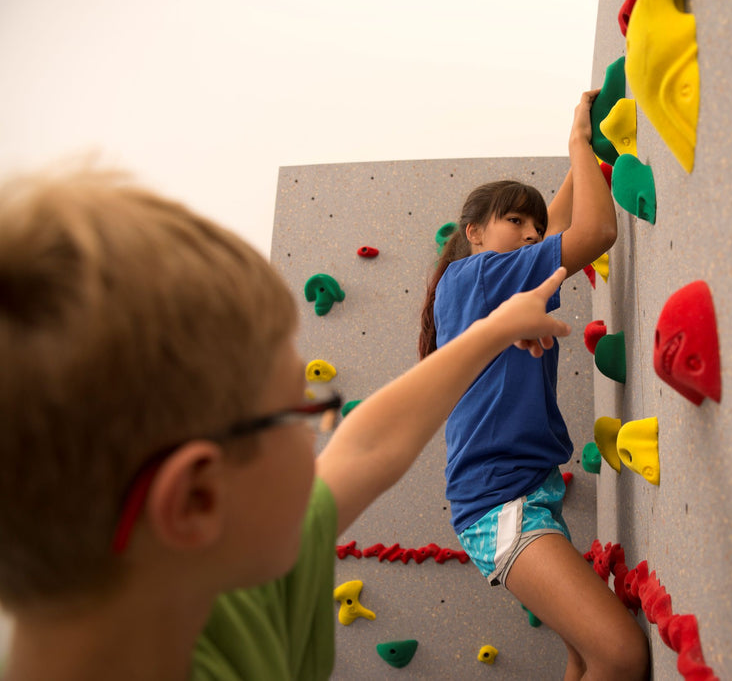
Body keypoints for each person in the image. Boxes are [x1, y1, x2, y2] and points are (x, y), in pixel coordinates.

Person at [0, 165, 573, 680]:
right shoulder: (251, 595)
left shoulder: (203, 567)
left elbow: (369, 445)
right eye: (300, 414)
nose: (322, 436)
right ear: (196, 498)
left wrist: (491, 331)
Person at [419, 91, 651, 680]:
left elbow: (560, 221)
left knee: (582, 656)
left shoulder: (481, 282)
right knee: (620, 656)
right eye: (512, 221)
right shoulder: (478, 275)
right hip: (502, 501)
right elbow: (595, 229)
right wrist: (579, 145)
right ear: (472, 232)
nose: (530, 233)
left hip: (521, 491)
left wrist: (574, 137)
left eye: (534, 225)